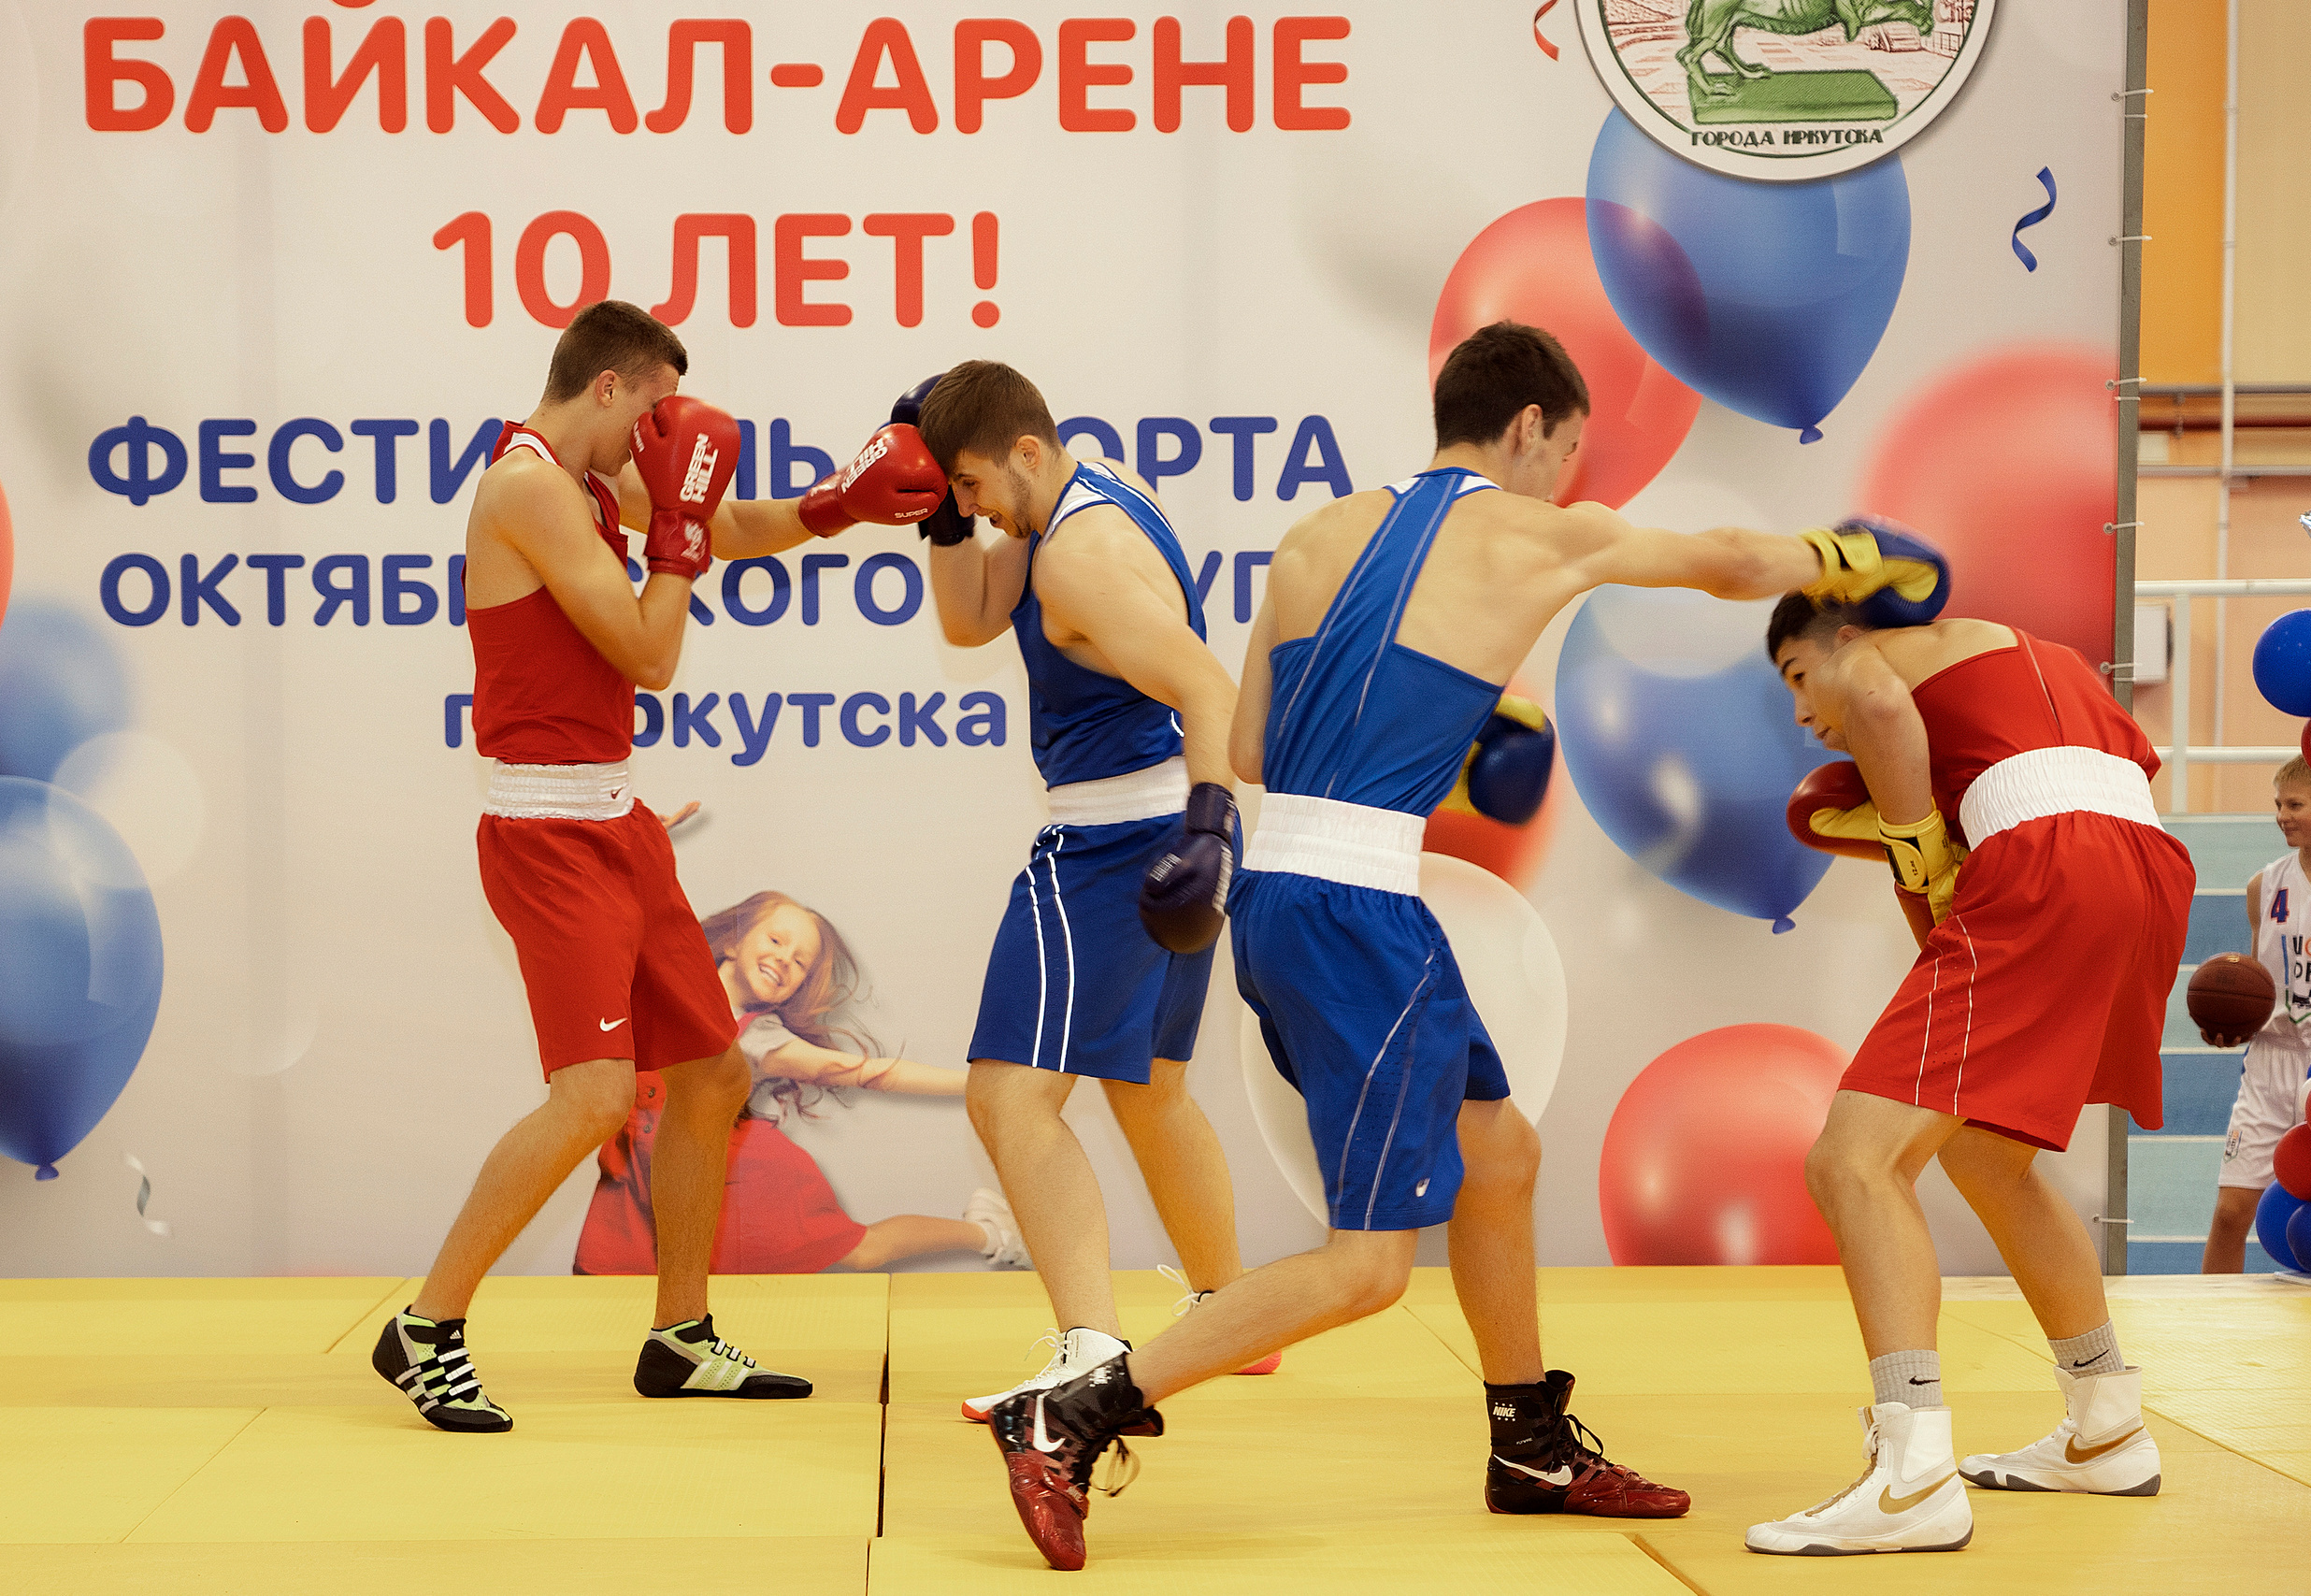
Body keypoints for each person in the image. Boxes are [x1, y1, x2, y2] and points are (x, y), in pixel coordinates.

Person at [972, 320, 1931, 1571]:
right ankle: (1071, 1413)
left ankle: (1527, 1434)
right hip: (1351, 911)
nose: (1569, 483)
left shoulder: (1318, 536)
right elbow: (1731, 558)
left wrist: (1456, 725)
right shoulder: (1532, 529)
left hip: (1297, 894)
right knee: (1370, 1265)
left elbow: (1254, 748)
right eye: (1570, 452)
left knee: (1502, 1147)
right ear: (1530, 428)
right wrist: (1850, 553)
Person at [371, 300, 944, 1432]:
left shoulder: (592, 480)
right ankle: (424, 1327)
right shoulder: (528, 485)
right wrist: (675, 540)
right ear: (607, 388)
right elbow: (649, 653)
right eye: (648, 411)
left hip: (615, 820)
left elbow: (721, 524)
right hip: (547, 834)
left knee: (715, 1077)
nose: (653, 441)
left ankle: (679, 1336)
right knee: (591, 1098)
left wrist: (837, 508)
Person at [1749, 597, 2190, 1553]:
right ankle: (2106, 1422)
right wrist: (1929, 841)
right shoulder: (2045, 662)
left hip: (2052, 866)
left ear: (1847, 635)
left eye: (1794, 674)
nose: (1798, 711)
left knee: (1852, 1164)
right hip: (2145, 871)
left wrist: (1910, 840)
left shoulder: (1885, 662)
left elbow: (1870, 697)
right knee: (1987, 1155)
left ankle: (1910, 1478)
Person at [907, 360, 1270, 1436]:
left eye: (971, 486)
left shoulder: (1077, 556)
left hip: (1119, 840)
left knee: (1007, 1097)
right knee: (1151, 1087)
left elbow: (1206, 684)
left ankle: (1090, 1354)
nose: (972, 509)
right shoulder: (1083, 491)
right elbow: (971, 624)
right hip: (1165, 821)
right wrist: (940, 521)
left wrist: (1205, 826)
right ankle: (1234, 1317)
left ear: (1024, 453)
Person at [573, 888, 1032, 1275]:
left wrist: (977, 1085)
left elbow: (869, 1073)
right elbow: (612, 933)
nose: (783, 960)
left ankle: (991, 1233)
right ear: (733, 941)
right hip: (636, 1182)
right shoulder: (661, 988)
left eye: (800, 963)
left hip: (738, 1180)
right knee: (608, 1276)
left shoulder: (757, 1038)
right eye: (775, 939)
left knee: (860, 1250)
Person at [2203, 757, 2311, 1272]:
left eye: (2296, 805)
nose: (2282, 816)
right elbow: (2256, 986)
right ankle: (2210, 1327)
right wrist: (2231, 1021)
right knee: (2230, 1212)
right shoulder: (2264, 887)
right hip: (2270, 1063)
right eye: (2279, 805)